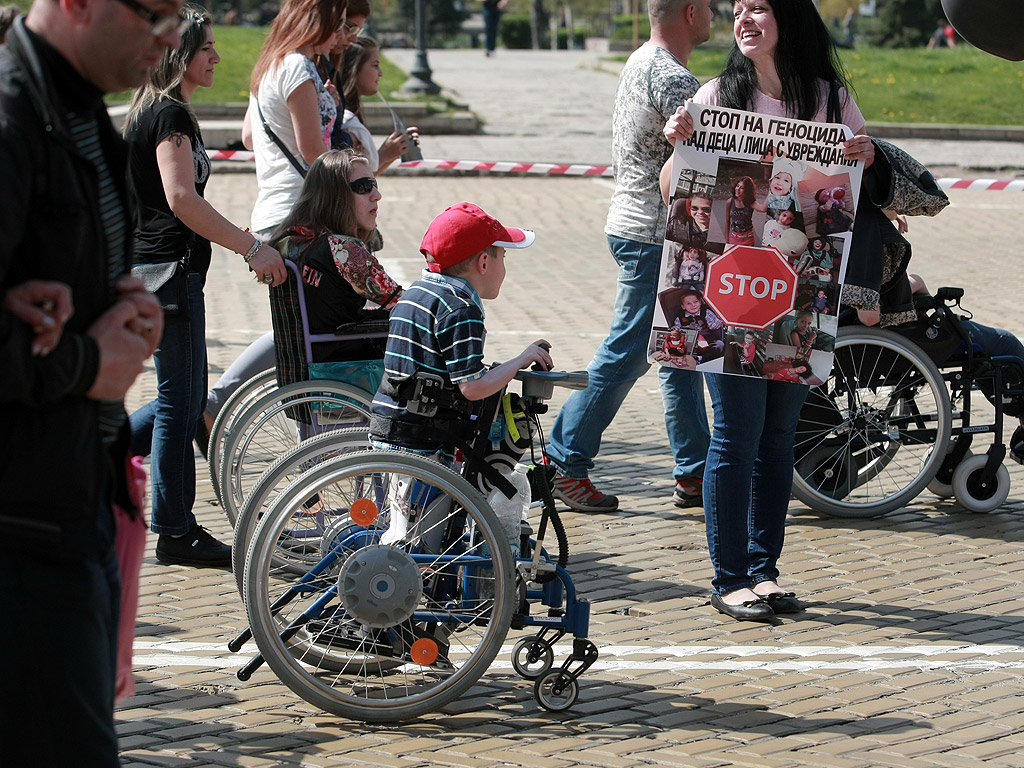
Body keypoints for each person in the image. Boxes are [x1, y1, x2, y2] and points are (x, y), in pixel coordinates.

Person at [0, 0, 178, 761]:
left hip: (74, 501)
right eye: (157, 14)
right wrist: (85, 364)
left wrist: (122, 305)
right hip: (22, 534)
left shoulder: (80, 113)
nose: (171, 37)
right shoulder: (12, 121)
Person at [663, 0, 875, 621]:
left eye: (758, 7)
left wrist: (866, 158)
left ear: (790, 19)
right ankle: (729, 577)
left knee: (778, 438)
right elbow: (675, 193)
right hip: (728, 296)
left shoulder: (831, 102)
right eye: (738, 9)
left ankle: (764, 570)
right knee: (735, 437)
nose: (744, 18)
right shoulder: (715, 97)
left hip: (802, 294)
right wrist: (679, 143)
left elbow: (852, 196)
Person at [125, 4, 285, 567]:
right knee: (180, 403)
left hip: (160, 270)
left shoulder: (157, 110)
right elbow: (181, 200)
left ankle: (97, 448)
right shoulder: (168, 115)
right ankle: (176, 530)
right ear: (180, 54)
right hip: (169, 273)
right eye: (206, 48)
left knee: (185, 398)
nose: (217, 56)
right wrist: (251, 246)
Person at [544, 0, 715, 513]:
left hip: (640, 226)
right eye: (709, 7)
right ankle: (562, 460)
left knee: (679, 351)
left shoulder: (644, 61)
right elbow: (713, 163)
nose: (715, 17)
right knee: (629, 353)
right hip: (653, 234)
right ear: (689, 12)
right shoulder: (672, 78)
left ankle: (695, 471)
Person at [369, 201, 551, 461]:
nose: (505, 269)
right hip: (423, 440)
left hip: (388, 426)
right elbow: (472, 388)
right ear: (484, 263)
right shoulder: (461, 310)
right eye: (504, 258)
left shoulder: (413, 295)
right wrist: (520, 361)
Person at [268, 149, 402, 364]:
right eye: (364, 187)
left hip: (309, 358)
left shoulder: (290, 240)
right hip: (346, 364)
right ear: (336, 196)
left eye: (375, 184)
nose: (377, 195)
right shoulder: (343, 249)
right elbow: (400, 302)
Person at [243, 0, 346, 239]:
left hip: (272, 210)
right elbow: (312, 150)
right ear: (317, 22)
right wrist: (350, 186)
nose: (340, 33)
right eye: (338, 23)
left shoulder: (269, 64)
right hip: (301, 211)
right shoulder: (299, 65)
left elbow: (249, 138)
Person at [341, 36, 418, 174]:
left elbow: (367, 179)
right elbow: (350, 180)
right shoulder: (345, 120)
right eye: (375, 65)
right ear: (354, 68)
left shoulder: (350, 112)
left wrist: (395, 150)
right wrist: (385, 154)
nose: (381, 73)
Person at [725, 175, 764, 245]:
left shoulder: (750, 202)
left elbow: (762, 209)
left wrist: (772, 191)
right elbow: (727, 221)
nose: (738, 189)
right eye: (737, 186)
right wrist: (727, 240)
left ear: (747, 190)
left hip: (748, 239)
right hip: (734, 239)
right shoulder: (730, 202)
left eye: (742, 187)